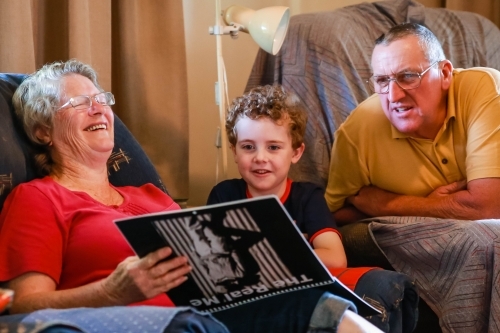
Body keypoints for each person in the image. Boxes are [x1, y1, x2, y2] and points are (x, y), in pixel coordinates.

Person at [0, 59, 382, 333]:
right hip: (149, 322)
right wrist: (110, 292)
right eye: (78, 102)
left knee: (319, 305)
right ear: (42, 131)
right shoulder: (38, 198)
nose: (98, 107)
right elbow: (21, 305)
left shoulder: (150, 196)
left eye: (101, 98)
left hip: (213, 314)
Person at [207, 84, 418, 333]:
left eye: (273, 147)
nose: (260, 157)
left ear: (296, 152)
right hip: (244, 292)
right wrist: (294, 252)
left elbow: (335, 256)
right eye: (248, 147)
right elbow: (212, 261)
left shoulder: (307, 197)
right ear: (234, 150)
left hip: (301, 285)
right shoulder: (224, 194)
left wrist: (266, 258)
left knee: (378, 286)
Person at [325, 22, 500, 225]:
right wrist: (442, 206)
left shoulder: (486, 89)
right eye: (382, 80)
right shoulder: (357, 130)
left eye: (408, 76)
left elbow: (490, 207)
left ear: (444, 74)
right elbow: (332, 215)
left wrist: (390, 205)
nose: (393, 95)